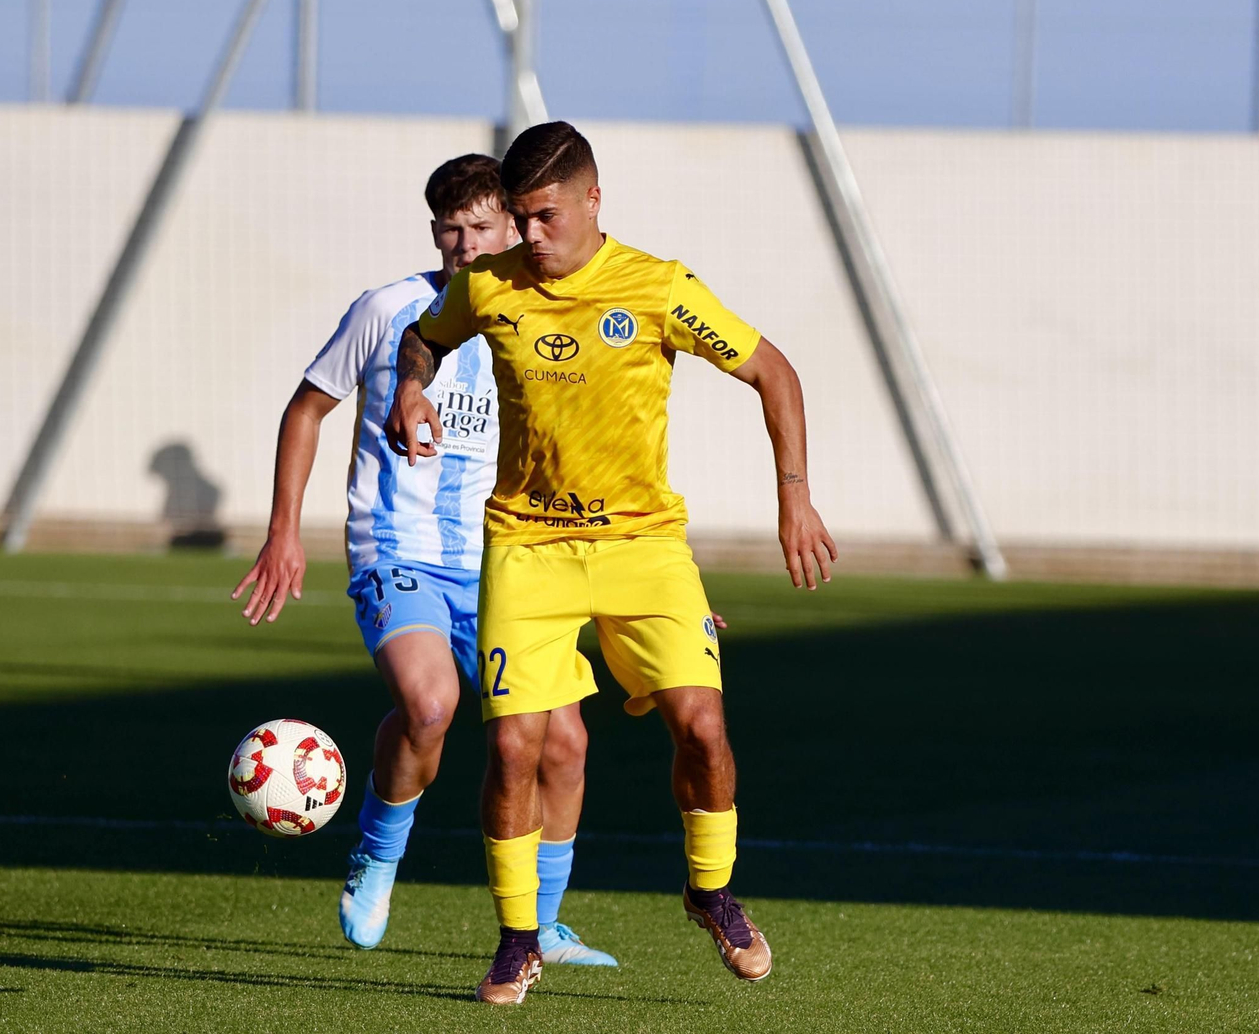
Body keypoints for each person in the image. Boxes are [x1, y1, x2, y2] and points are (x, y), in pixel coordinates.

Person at [385, 122, 838, 1005]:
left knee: (703, 728)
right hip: (527, 548)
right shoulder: (486, 286)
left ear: (594, 200)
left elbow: (774, 372)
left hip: (644, 547)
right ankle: (519, 940)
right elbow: (425, 338)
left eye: (545, 215)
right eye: (518, 217)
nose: (531, 235)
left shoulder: (659, 286)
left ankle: (711, 891)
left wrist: (795, 496)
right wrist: (412, 385)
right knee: (514, 747)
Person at [232, 153, 616, 965]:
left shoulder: (541, 320)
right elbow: (308, 408)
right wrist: (282, 530)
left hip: (507, 563)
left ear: (514, 227)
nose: (464, 246)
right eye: (450, 230)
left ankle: (543, 923)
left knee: (565, 743)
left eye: (481, 228)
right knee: (432, 704)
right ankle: (376, 858)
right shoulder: (389, 309)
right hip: (395, 549)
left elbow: (586, 458)